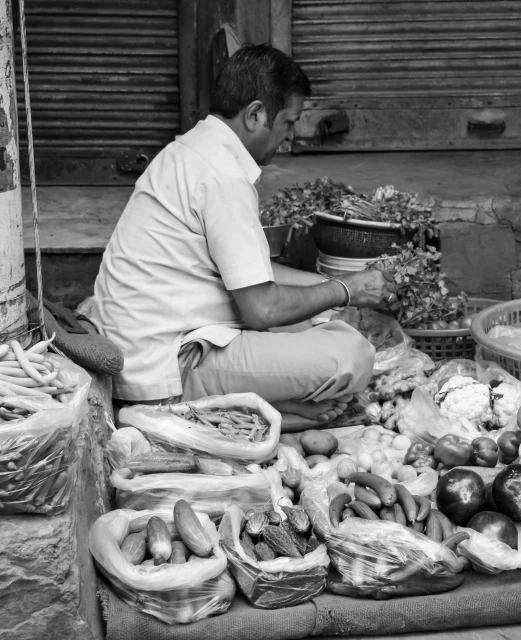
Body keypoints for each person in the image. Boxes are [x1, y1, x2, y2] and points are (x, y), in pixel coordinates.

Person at [88, 44, 397, 426]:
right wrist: (346, 290)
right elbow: (261, 309)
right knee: (352, 355)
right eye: (287, 122)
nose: (288, 137)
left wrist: (337, 286)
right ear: (255, 115)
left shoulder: (189, 150)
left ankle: (272, 406)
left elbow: (253, 274)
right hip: (163, 369)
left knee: (317, 317)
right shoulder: (223, 178)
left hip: (154, 342)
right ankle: (242, 411)